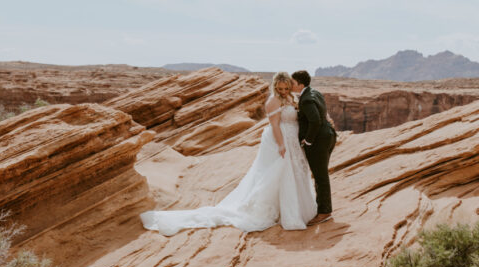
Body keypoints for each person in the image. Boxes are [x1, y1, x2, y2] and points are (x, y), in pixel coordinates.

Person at [139, 71, 317, 235]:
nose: (284, 91)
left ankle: (300, 209)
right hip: (282, 139)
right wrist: (280, 144)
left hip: (294, 139)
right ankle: (285, 212)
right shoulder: (273, 101)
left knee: (296, 172)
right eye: (280, 88)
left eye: (286, 88)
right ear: (275, 87)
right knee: (280, 174)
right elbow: (275, 125)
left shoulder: (291, 98)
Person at [291, 70, 337, 223]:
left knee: (320, 176)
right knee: (321, 174)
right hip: (328, 135)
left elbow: (315, 120)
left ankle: (324, 212)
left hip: (318, 141)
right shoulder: (314, 92)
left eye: (293, 82)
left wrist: (308, 141)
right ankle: (323, 209)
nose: (291, 85)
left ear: (300, 84)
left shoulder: (306, 100)